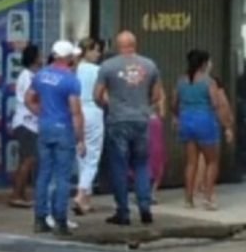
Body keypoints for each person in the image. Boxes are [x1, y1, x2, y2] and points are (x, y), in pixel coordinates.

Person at [94, 31, 163, 226]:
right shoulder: (149, 65)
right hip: (141, 120)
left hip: (118, 120)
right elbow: (157, 95)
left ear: (118, 45)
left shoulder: (108, 66)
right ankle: (145, 207)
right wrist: (142, 105)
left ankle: (123, 212)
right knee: (141, 164)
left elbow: (97, 94)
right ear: (135, 44)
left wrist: (108, 106)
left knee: (119, 166)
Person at [25, 41, 85, 236]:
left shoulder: (41, 75)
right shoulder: (70, 80)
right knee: (62, 177)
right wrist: (80, 138)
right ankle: (60, 221)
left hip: (45, 128)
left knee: (44, 174)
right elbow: (75, 112)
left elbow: (28, 99)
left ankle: (39, 219)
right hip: (63, 129)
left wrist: (42, 114)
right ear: (68, 58)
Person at [172, 50, 234, 210]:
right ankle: (208, 198)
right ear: (204, 63)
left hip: (186, 121)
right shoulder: (209, 82)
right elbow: (216, 104)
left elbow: (174, 103)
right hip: (205, 121)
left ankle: (188, 199)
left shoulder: (181, 81)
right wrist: (227, 126)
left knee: (191, 163)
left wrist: (178, 116)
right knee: (211, 161)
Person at [73, 37, 104, 214]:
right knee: (92, 157)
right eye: (96, 50)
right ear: (88, 51)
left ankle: (86, 199)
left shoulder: (75, 69)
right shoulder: (97, 70)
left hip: (77, 110)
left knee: (81, 154)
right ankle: (81, 193)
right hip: (93, 109)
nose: (99, 54)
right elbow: (102, 94)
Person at [9, 44, 41, 207]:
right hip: (26, 123)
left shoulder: (29, 75)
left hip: (29, 123)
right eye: (39, 55)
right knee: (27, 160)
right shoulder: (28, 76)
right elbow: (31, 99)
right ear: (34, 58)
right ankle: (16, 195)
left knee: (26, 159)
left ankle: (20, 194)